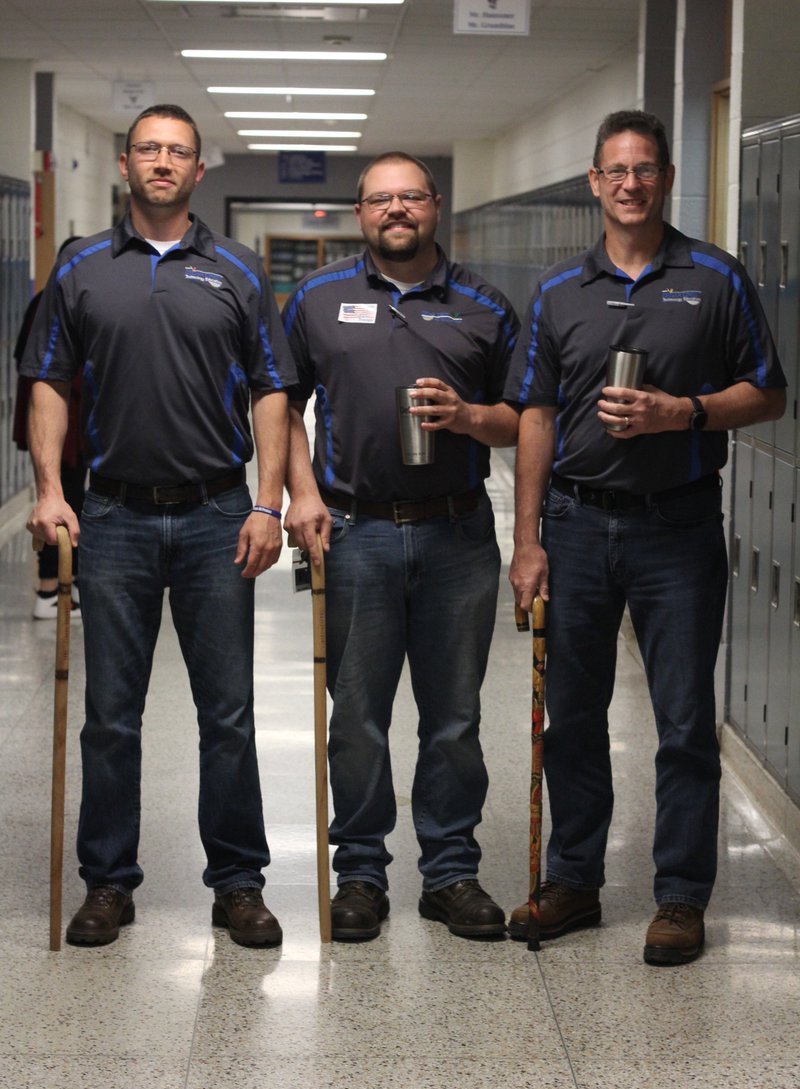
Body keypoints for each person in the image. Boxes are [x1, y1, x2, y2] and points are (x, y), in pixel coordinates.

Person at [505, 109, 787, 965]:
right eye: (615, 171)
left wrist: (684, 412)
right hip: (580, 525)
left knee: (683, 721)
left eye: (646, 170)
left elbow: (769, 395)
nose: (631, 184)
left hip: (678, 526)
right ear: (594, 182)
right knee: (574, 717)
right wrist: (526, 539)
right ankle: (574, 882)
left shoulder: (715, 277)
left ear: (664, 180)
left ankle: (680, 896)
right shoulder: (559, 291)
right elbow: (536, 415)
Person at [23, 103, 296, 948]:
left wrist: (267, 501)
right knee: (111, 711)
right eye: (149, 149)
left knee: (229, 712)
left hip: (218, 514)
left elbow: (272, 390)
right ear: (124, 164)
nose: (163, 162)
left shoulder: (240, 273)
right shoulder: (80, 271)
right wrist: (47, 490)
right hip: (112, 514)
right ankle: (108, 881)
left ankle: (239, 883)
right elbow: (49, 383)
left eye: (178, 151)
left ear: (198, 170)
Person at [282, 151, 520, 941]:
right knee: (357, 717)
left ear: (435, 206)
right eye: (381, 199)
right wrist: (301, 494)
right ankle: (360, 872)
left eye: (410, 197)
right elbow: (280, 405)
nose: (396, 210)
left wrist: (467, 417)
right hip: (356, 533)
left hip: (457, 533)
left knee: (453, 716)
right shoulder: (317, 299)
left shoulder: (484, 304)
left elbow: (522, 419)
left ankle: (450, 872)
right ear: (360, 213)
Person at [14, 236, 85, 619]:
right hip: (64, 424)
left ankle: (64, 586)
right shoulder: (50, 303)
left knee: (73, 500)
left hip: (75, 422)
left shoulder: (43, 299)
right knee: (60, 501)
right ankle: (51, 590)